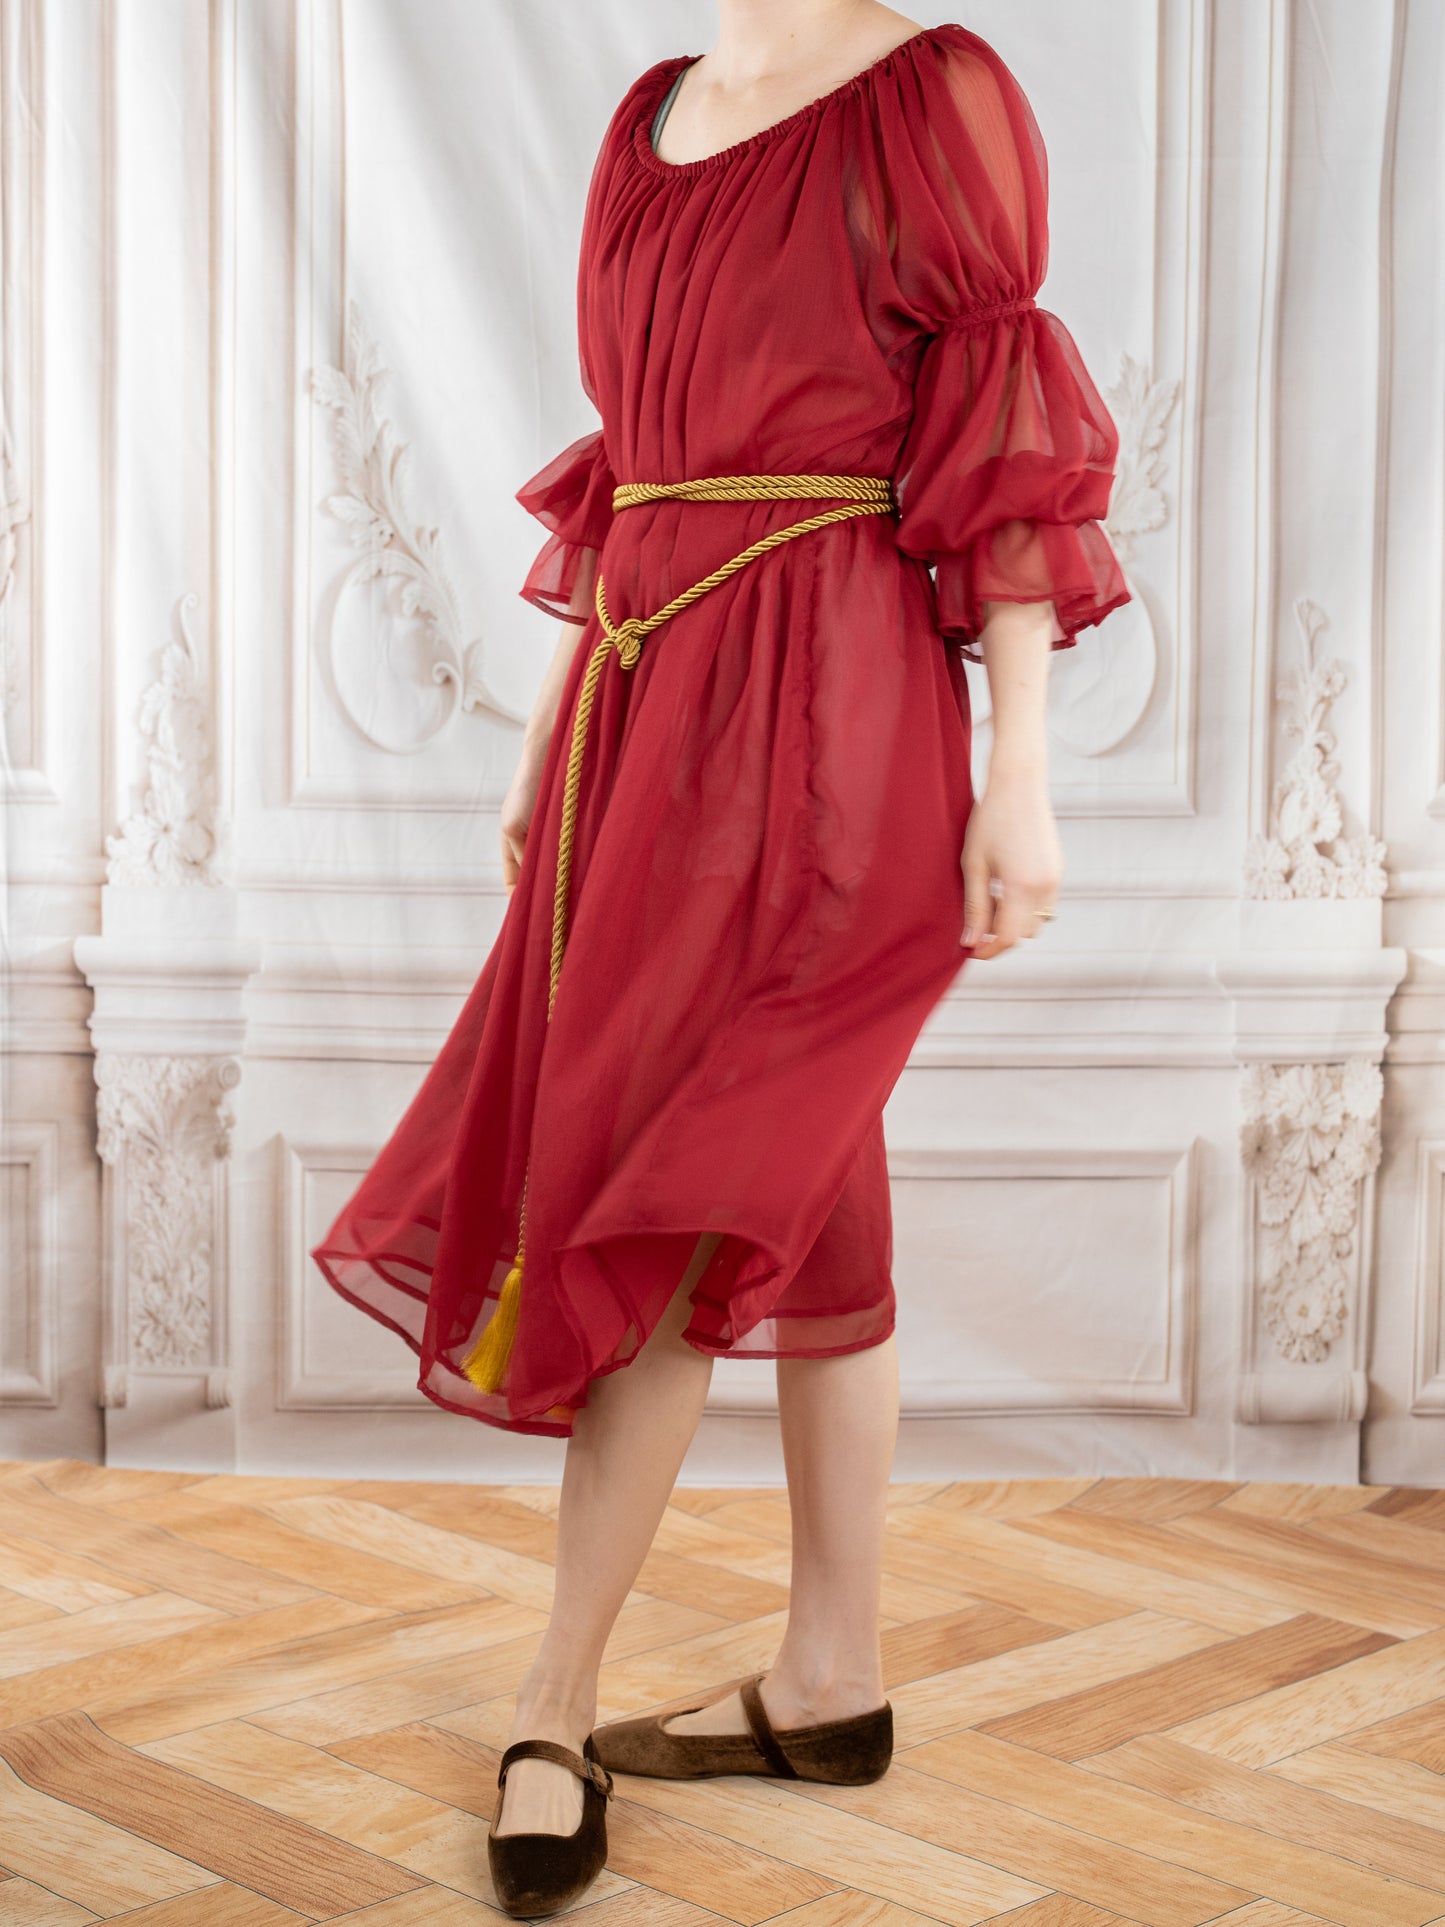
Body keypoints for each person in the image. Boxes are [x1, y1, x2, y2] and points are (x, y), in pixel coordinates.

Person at [311, 2, 1130, 1913]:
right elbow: (636, 467)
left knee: (678, 1189)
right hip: (637, 707)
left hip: (836, 702)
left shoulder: (935, 93)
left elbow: (998, 436)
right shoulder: (641, 117)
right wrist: (543, 730)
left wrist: (1021, 777)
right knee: (800, 1180)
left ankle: (552, 1699)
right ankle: (830, 1678)